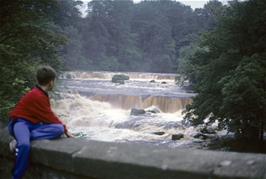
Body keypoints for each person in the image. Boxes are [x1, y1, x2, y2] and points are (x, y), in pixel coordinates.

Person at [8, 65, 73, 179]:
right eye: (54, 80)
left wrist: (63, 128)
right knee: (24, 145)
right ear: (51, 82)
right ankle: (16, 176)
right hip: (20, 123)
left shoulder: (41, 93)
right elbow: (50, 117)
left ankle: (23, 137)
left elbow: (48, 116)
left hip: (34, 125)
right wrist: (66, 131)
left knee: (58, 129)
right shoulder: (37, 95)